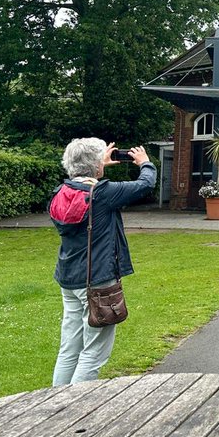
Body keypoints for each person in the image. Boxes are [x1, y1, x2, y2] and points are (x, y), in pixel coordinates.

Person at [49, 138, 155, 384]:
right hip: (98, 282)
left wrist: (98, 166)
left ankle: (55, 406)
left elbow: (86, 183)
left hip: (69, 279)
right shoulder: (103, 194)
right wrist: (145, 163)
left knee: (69, 349)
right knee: (93, 353)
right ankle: (77, 408)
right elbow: (145, 184)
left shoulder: (61, 193)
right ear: (96, 164)